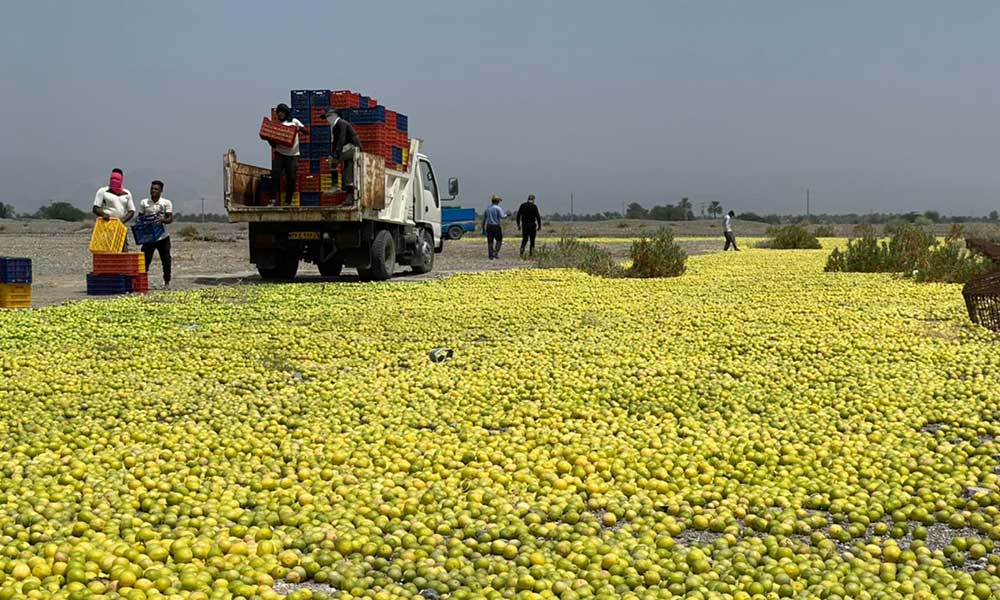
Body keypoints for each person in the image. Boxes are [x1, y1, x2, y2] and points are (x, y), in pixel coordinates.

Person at [322, 107, 362, 205]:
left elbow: (341, 139)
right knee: (347, 171)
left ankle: (335, 186)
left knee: (332, 161)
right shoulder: (335, 126)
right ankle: (348, 196)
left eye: (329, 116)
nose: (327, 119)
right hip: (347, 149)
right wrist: (334, 153)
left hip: (353, 148)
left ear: (335, 115)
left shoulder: (342, 123)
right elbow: (335, 143)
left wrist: (335, 155)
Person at [138, 180, 174, 288]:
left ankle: (167, 282)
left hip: (163, 237)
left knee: (166, 260)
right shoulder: (144, 203)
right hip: (149, 237)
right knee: (145, 260)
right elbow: (140, 217)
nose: (153, 191)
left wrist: (163, 220)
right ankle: (143, 282)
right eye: (152, 189)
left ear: (161, 191)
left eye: (156, 189)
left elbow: (170, 218)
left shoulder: (166, 203)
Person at [269, 103, 306, 207]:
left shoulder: (294, 121)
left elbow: (306, 131)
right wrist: (269, 139)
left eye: (282, 112)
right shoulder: (276, 125)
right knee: (275, 176)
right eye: (278, 112)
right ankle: (272, 200)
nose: (280, 114)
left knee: (291, 177)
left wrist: (299, 129)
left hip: (293, 155)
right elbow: (274, 145)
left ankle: (288, 201)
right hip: (280, 154)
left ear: (286, 112)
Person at [92, 168, 135, 251]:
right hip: (106, 226)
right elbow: (95, 208)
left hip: (120, 227)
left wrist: (121, 221)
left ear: (121, 179)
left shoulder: (127, 193)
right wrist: (103, 214)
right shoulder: (103, 191)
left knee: (123, 250)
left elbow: (131, 211)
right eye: (112, 179)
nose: (114, 181)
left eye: (116, 179)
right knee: (106, 249)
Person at [484, 195, 507, 260]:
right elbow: (502, 216)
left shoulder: (487, 208)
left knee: (490, 241)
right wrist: (507, 215)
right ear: (497, 201)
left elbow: (485, 218)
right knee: (499, 240)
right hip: (496, 226)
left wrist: (483, 227)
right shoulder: (498, 208)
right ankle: (495, 252)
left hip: (489, 226)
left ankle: (490, 255)